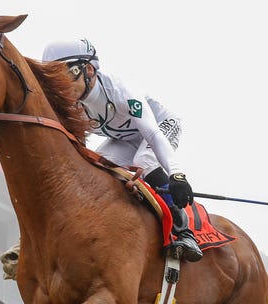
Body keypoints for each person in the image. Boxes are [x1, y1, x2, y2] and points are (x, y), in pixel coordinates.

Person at [42, 38, 202, 262]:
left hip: (159, 127)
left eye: (66, 76)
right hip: (124, 139)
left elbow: (153, 135)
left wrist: (176, 174)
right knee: (98, 167)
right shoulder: (73, 105)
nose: (61, 87)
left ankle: (184, 232)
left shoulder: (119, 90)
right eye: (54, 81)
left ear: (88, 69)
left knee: (144, 159)